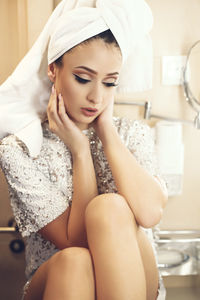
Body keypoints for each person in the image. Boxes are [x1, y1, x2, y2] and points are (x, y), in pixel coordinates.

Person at [0, 1, 168, 299]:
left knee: (110, 207)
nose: (96, 97)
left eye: (109, 83)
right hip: (62, 278)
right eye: (83, 78)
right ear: (54, 70)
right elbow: (77, 240)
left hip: (138, 278)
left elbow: (150, 212)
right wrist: (79, 150)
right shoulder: (21, 149)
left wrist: (106, 131)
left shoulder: (132, 134)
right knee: (76, 261)